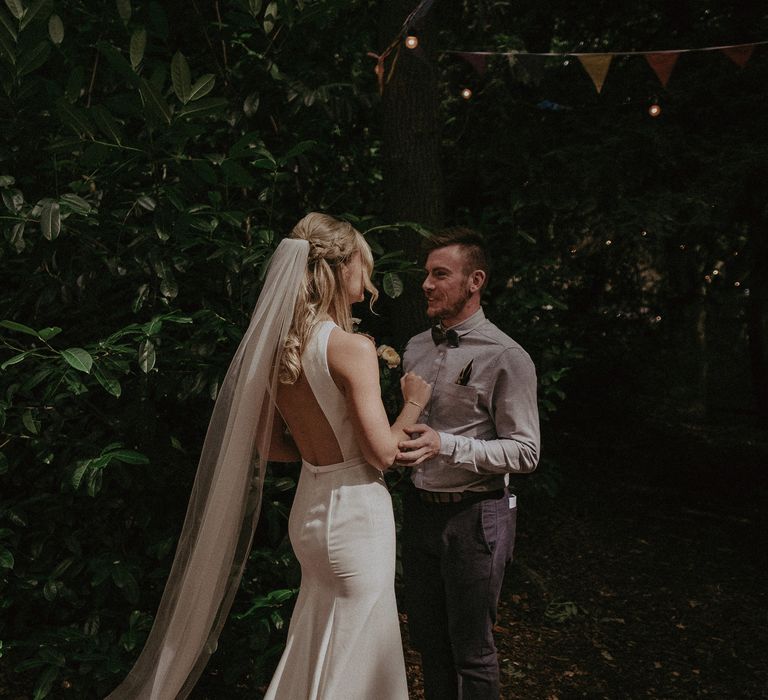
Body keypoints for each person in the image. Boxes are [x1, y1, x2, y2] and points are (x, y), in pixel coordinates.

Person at [106, 213, 431, 700]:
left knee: (315, 636)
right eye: (365, 264)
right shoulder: (351, 347)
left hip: (310, 513)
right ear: (342, 267)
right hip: (357, 516)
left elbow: (269, 445)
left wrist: (321, 448)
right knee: (361, 649)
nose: (370, 277)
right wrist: (414, 402)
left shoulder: (282, 348)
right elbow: (383, 454)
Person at [396, 227, 540, 700]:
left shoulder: (506, 356)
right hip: (419, 511)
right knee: (430, 646)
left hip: (476, 517)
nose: (427, 284)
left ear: (474, 280)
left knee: (473, 652)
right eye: (426, 275)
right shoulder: (415, 347)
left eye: (440, 274)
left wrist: (448, 445)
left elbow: (525, 451)